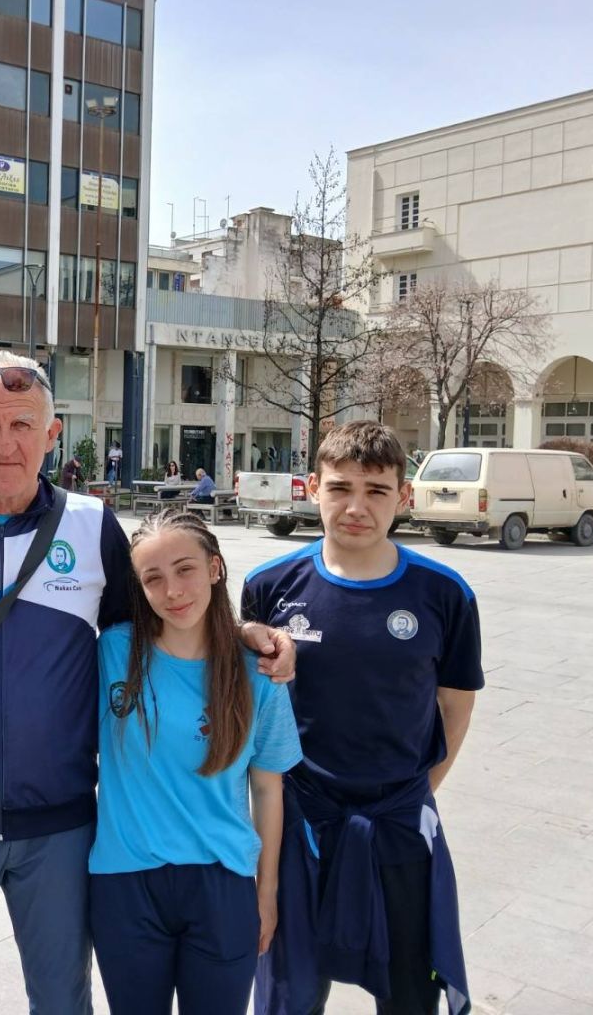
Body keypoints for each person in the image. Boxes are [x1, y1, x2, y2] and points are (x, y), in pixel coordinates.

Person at [0, 350, 297, 1014]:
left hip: (60, 830)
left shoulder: (90, 525)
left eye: (23, 425)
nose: (5, 443)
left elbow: (162, 620)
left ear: (52, 434)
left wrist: (244, 633)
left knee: (64, 1002)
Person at [243, 421, 483, 1015]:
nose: (356, 507)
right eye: (340, 488)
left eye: (376, 491)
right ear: (313, 489)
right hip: (300, 822)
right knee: (289, 995)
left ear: (404, 495)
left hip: (396, 823)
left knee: (409, 994)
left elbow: (455, 705)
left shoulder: (445, 593)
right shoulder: (270, 586)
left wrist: (417, 792)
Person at [91, 509, 301, 1014]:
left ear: (214, 567)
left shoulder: (259, 673)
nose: (172, 591)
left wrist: (266, 892)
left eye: (185, 569)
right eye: (153, 578)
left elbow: (268, 789)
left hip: (222, 884)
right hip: (125, 883)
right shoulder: (112, 653)